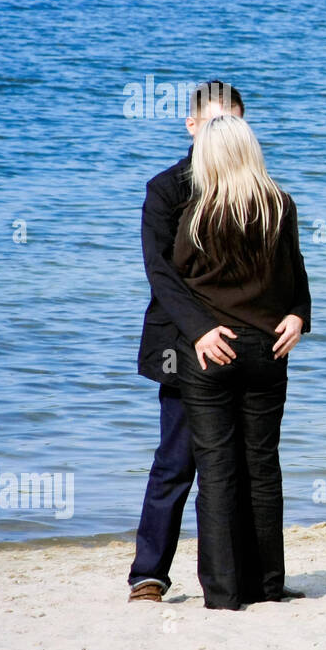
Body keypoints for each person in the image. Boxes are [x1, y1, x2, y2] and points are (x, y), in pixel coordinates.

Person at [172, 112, 310, 610]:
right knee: (262, 466)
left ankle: (225, 593)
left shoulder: (199, 213)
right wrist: (298, 316)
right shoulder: (280, 205)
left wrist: (200, 329)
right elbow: (296, 274)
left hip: (212, 349)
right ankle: (268, 585)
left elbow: (180, 280)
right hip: (269, 347)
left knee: (217, 471)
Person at [128, 81, 251, 603]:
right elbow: (161, 274)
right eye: (215, 122)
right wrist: (201, 331)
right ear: (192, 125)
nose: (225, 133)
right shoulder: (166, 189)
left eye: (235, 123)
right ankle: (148, 573)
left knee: (240, 464)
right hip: (181, 342)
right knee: (177, 461)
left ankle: (235, 576)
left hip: (241, 343)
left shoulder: (253, 188)